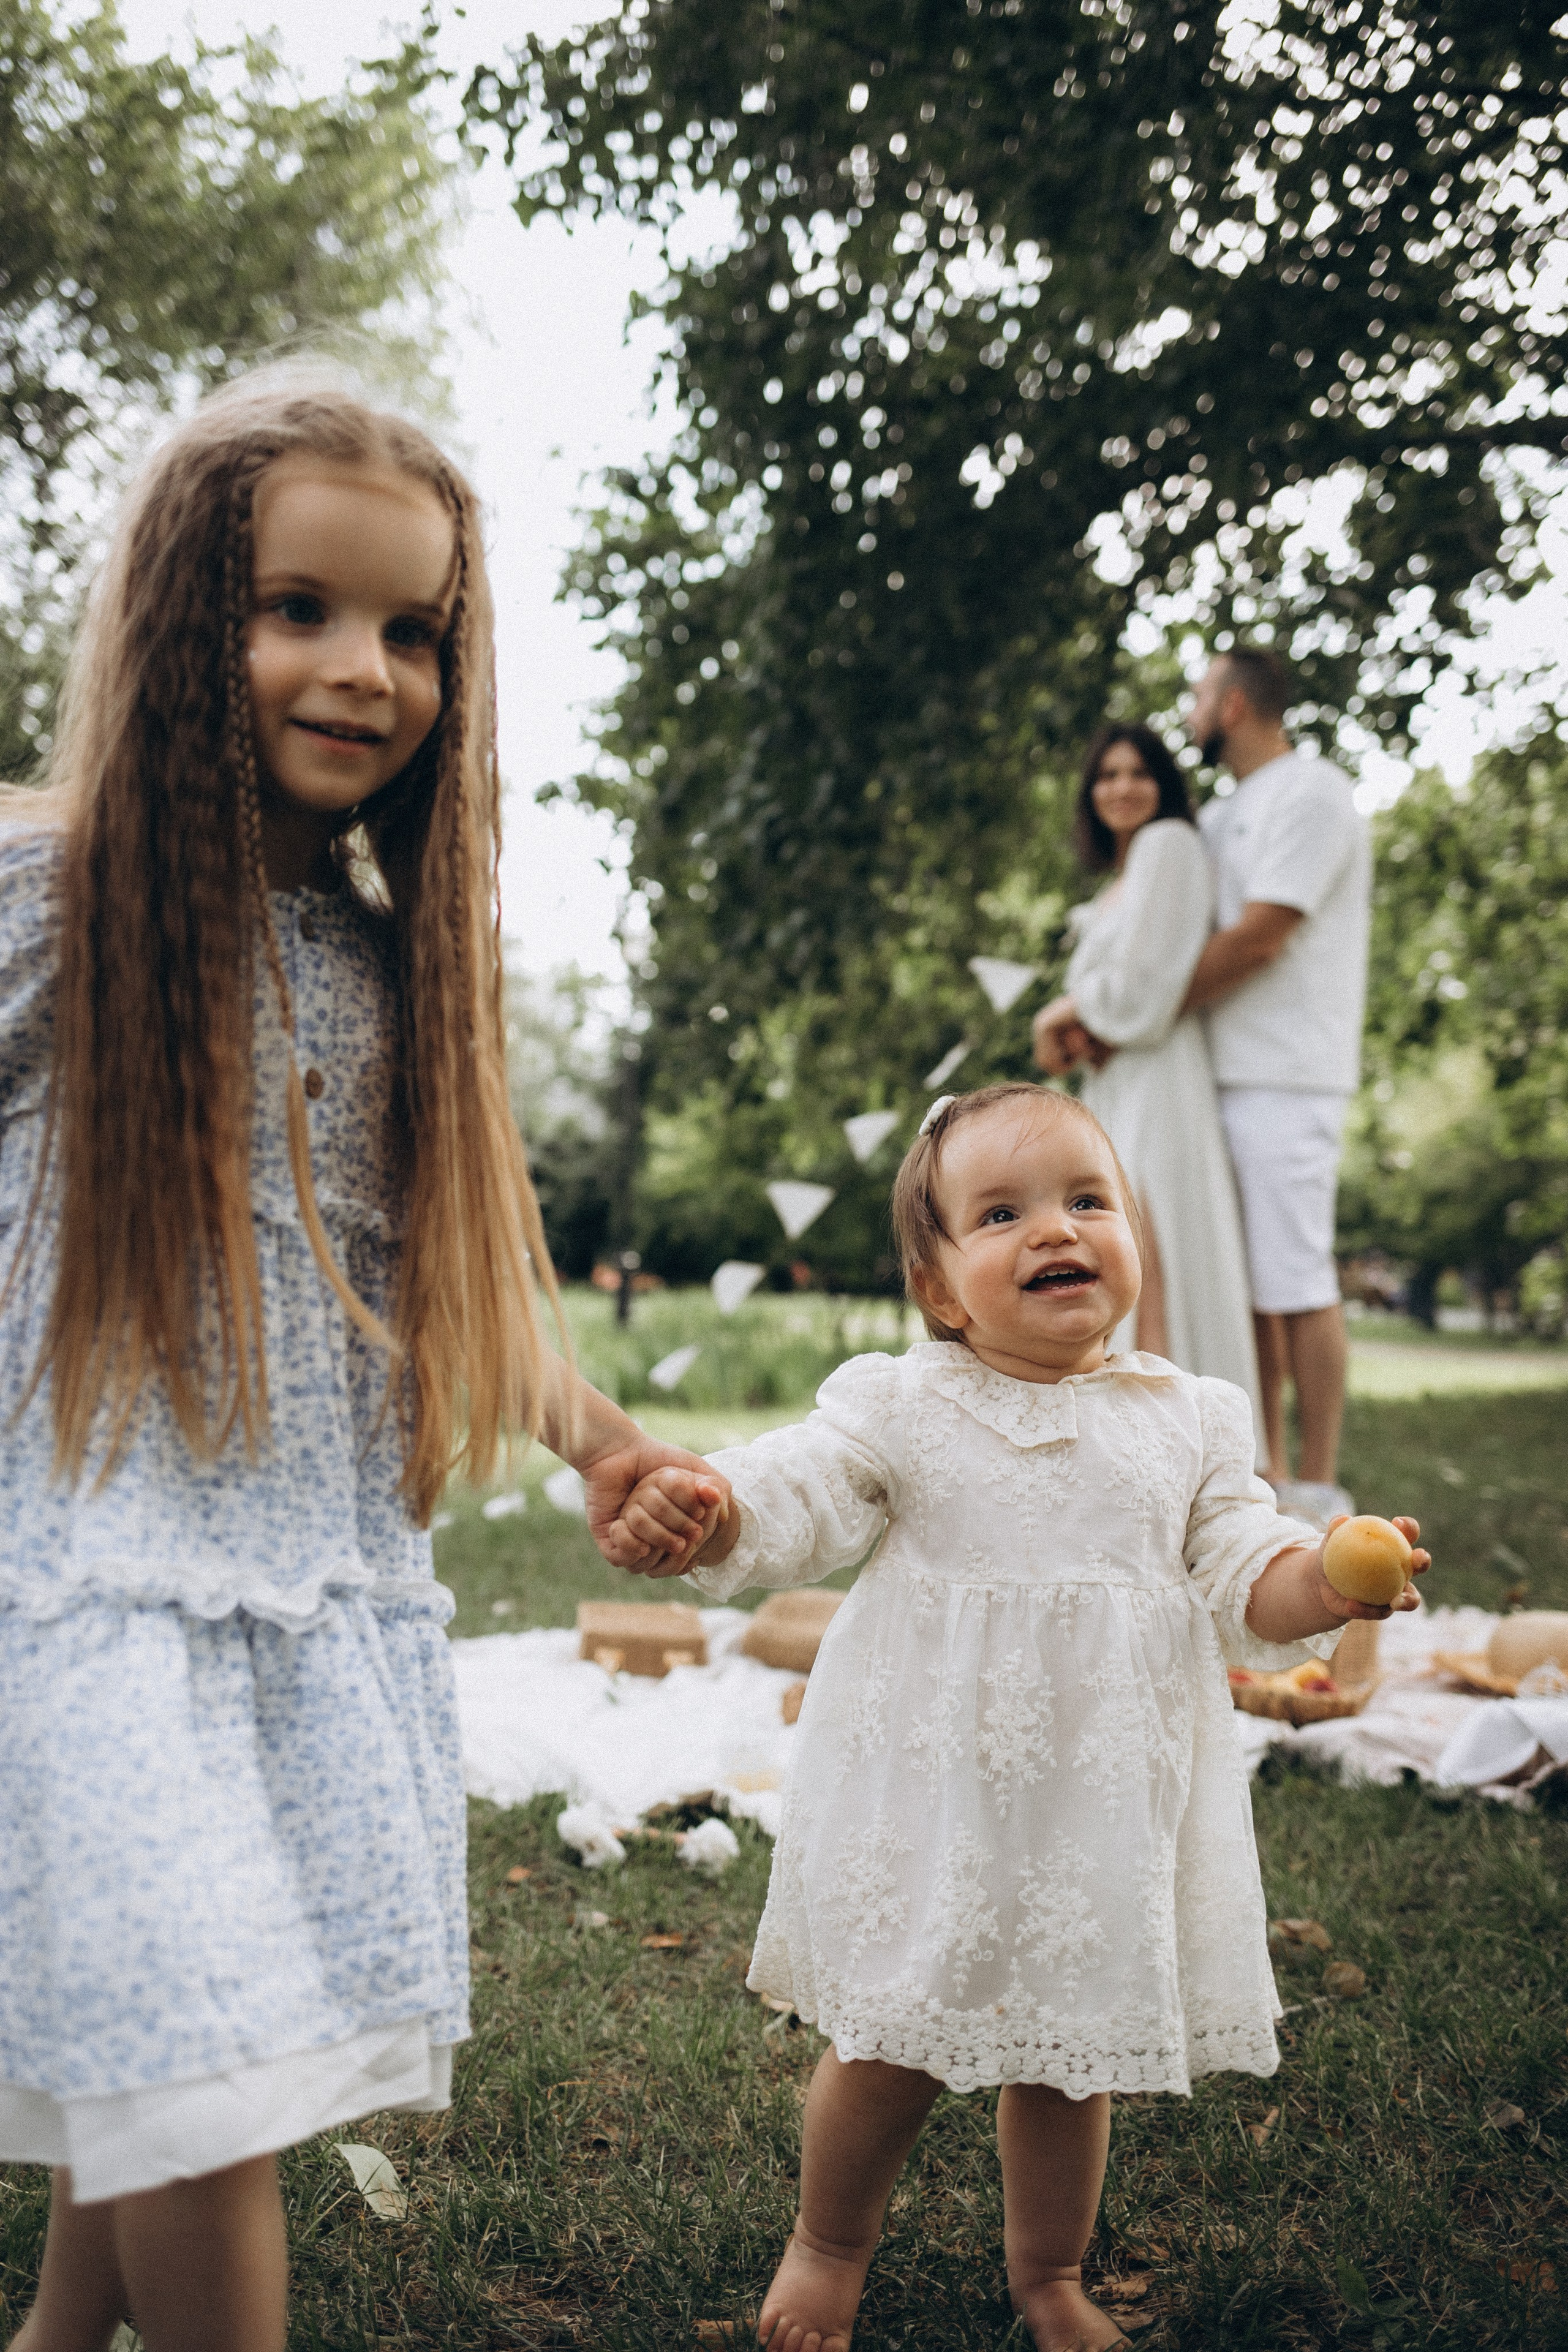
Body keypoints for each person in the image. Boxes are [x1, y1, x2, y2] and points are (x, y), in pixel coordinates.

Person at [0, 376, 726, 2351]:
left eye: (416, 630)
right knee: (198, 2073)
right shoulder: (51, 898)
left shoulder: (385, 963)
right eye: (299, 608)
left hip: (303, 1590)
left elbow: (458, 1264)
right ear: (181, 621)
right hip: (98, 1583)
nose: (364, 669)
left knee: (167, 2050)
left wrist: (597, 1439)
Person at [611, 1084, 1427, 2352]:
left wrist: (1322, 1578)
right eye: (1000, 1214)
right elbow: (802, 1488)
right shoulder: (905, 1405)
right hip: (932, 1793)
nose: (1055, 1229)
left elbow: (1242, 1571)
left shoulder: (1190, 1418)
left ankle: (1049, 2274)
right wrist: (718, 1511)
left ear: (1133, 1240)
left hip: (1098, 1801)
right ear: (939, 1289)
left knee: (1068, 2053)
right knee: (888, 2044)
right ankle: (828, 2244)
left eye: (1087, 1201)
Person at [1030, 724, 1263, 1445]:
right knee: (1113, 1233)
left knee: (1143, 1236)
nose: (1122, 788)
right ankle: (1128, 1423)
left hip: (1159, 1074)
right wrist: (1080, 1028)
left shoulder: (1170, 846)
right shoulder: (1113, 886)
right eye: (1107, 775)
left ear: (1163, 784)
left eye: (1138, 773)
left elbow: (1147, 985)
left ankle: (1171, 1429)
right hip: (1114, 1082)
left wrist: (1062, 1013)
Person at [1180, 647, 1372, 1520]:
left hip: (1288, 1074)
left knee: (1295, 1279)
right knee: (1246, 1290)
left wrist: (1135, 1009)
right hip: (1212, 1072)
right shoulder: (1219, 814)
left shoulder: (1313, 793)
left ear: (1231, 706)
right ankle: (1268, 1477)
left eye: (1198, 694)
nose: (1190, 711)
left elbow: (1262, 935)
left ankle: (1320, 1486)